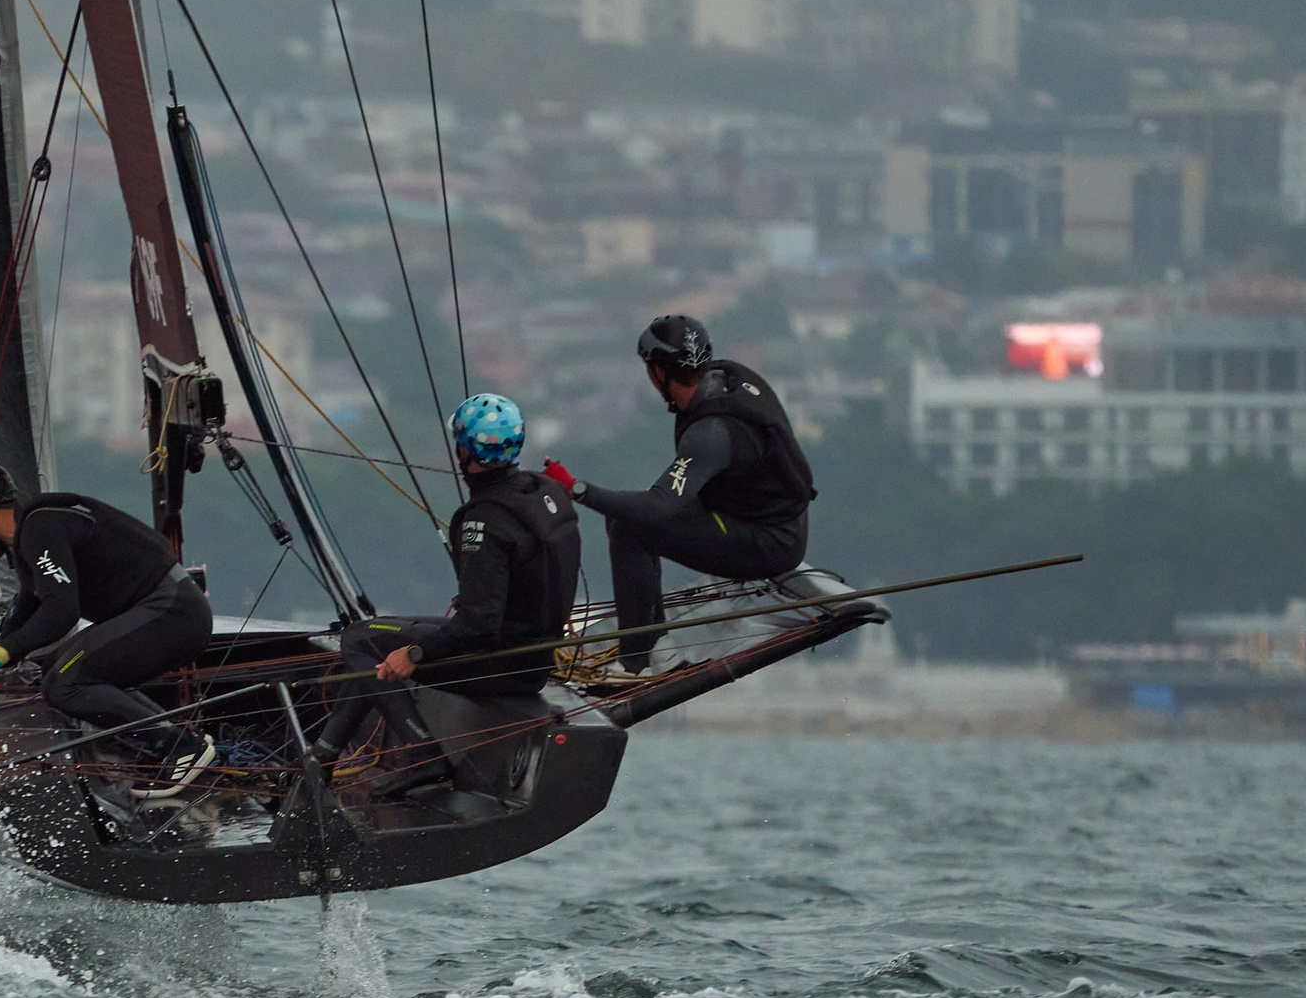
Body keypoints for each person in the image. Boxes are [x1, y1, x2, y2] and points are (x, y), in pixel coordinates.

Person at [543, 314, 879, 674]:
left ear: (660, 372)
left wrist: (576, 488)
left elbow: (657, 508)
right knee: (627, 520)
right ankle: (655, 646)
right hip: (767, 519)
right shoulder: (728, 380)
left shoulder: (711, 433)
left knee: (631, 526)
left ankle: (638, 662)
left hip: (771, 542)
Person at [304, 394, 580, 770]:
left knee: (358, 641)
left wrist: (415, 654)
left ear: (464, 452)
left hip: (497, 664)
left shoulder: (486, 520)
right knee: (370, 635)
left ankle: (424, 755)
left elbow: (478, 627)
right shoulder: (545, 490)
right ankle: (320, 760)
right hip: (532, 661)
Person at [0, 463, 217, 798]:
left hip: (173, 612)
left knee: (64, 682)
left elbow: (61, 610)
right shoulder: (32, 535)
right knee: (56, 667)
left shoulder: (40, 527)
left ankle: (182, 747)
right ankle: (177, 743)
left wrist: (3, 651)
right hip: (170, 611)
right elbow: (26, 609)